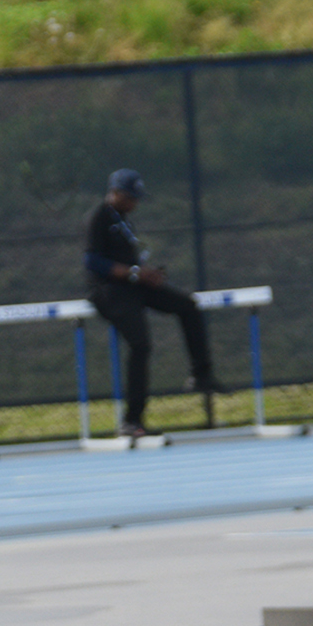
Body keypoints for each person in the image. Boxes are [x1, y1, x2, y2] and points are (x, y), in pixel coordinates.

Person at [84, 168, 223, 439]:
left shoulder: (123, 219)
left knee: (187, 305)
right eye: (131, 197)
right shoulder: (97, 218)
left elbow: (130, 262)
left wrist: (147, 274)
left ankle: (201, 374)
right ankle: (131, 420)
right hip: (109, 291)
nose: (135, 203)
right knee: (140, 344)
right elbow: (92, 262)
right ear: (116, 193)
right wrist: (134, 273)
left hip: (133, 286)